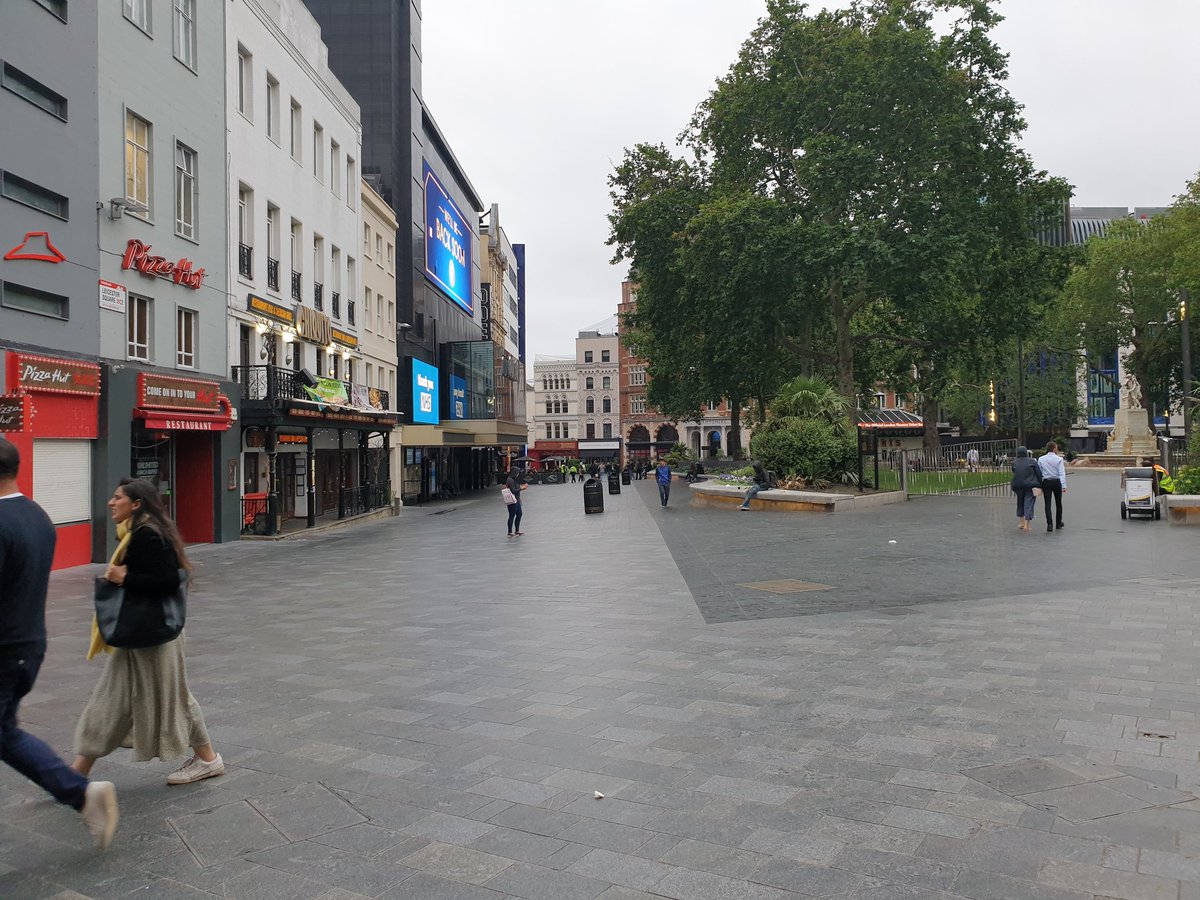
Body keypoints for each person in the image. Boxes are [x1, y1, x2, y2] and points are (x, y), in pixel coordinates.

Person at [0, 441, 119, 849]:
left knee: (4, 734)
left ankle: (80, 792)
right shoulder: (38, 516)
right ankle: (79, 792)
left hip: (3, 647)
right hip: (28, 643)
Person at [73, 479, 224, 786]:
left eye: (118, 498)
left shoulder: (146, 535)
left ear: (136, 503)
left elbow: (168, 580)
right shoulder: (138, 532)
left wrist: (123, 577)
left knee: (171, 697)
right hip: (143, 634)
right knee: (114, 698)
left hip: (152, 635)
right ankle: (74, 775)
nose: (111, 503)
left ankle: (209, 759)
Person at [1037, 441, 1067, 532]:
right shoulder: (1059, 459)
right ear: (1054, 448)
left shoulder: (1041, 459)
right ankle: (1058, 523)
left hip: (1046, 482)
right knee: (1058, 503)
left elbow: (1039, 472)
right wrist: (1063, 485)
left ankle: (1049, 524)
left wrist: (1040, 483)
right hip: (1056, 482)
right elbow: (1062, 473)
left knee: (1048, 504)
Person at [1010, 446, 1041, 532]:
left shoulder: (1014, 462)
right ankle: (1027, 525)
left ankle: (1021, 522)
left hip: (1018, 485)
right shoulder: (1032, 461)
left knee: (1020, 502)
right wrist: (1041, 484)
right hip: (1030, 485)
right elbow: (1038, 473)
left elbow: (1014, 471)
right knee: (1029, 503)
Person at [505, 466, 525, 536]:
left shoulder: (514, 479)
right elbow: (513, 490)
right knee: (512, 515)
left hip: (517, 499)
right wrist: (521, 488)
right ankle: (510, 531)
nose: (518, 474)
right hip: (512, 500)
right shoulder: (510, 480)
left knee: (519, 514)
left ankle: (517, 530)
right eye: (517, 472)